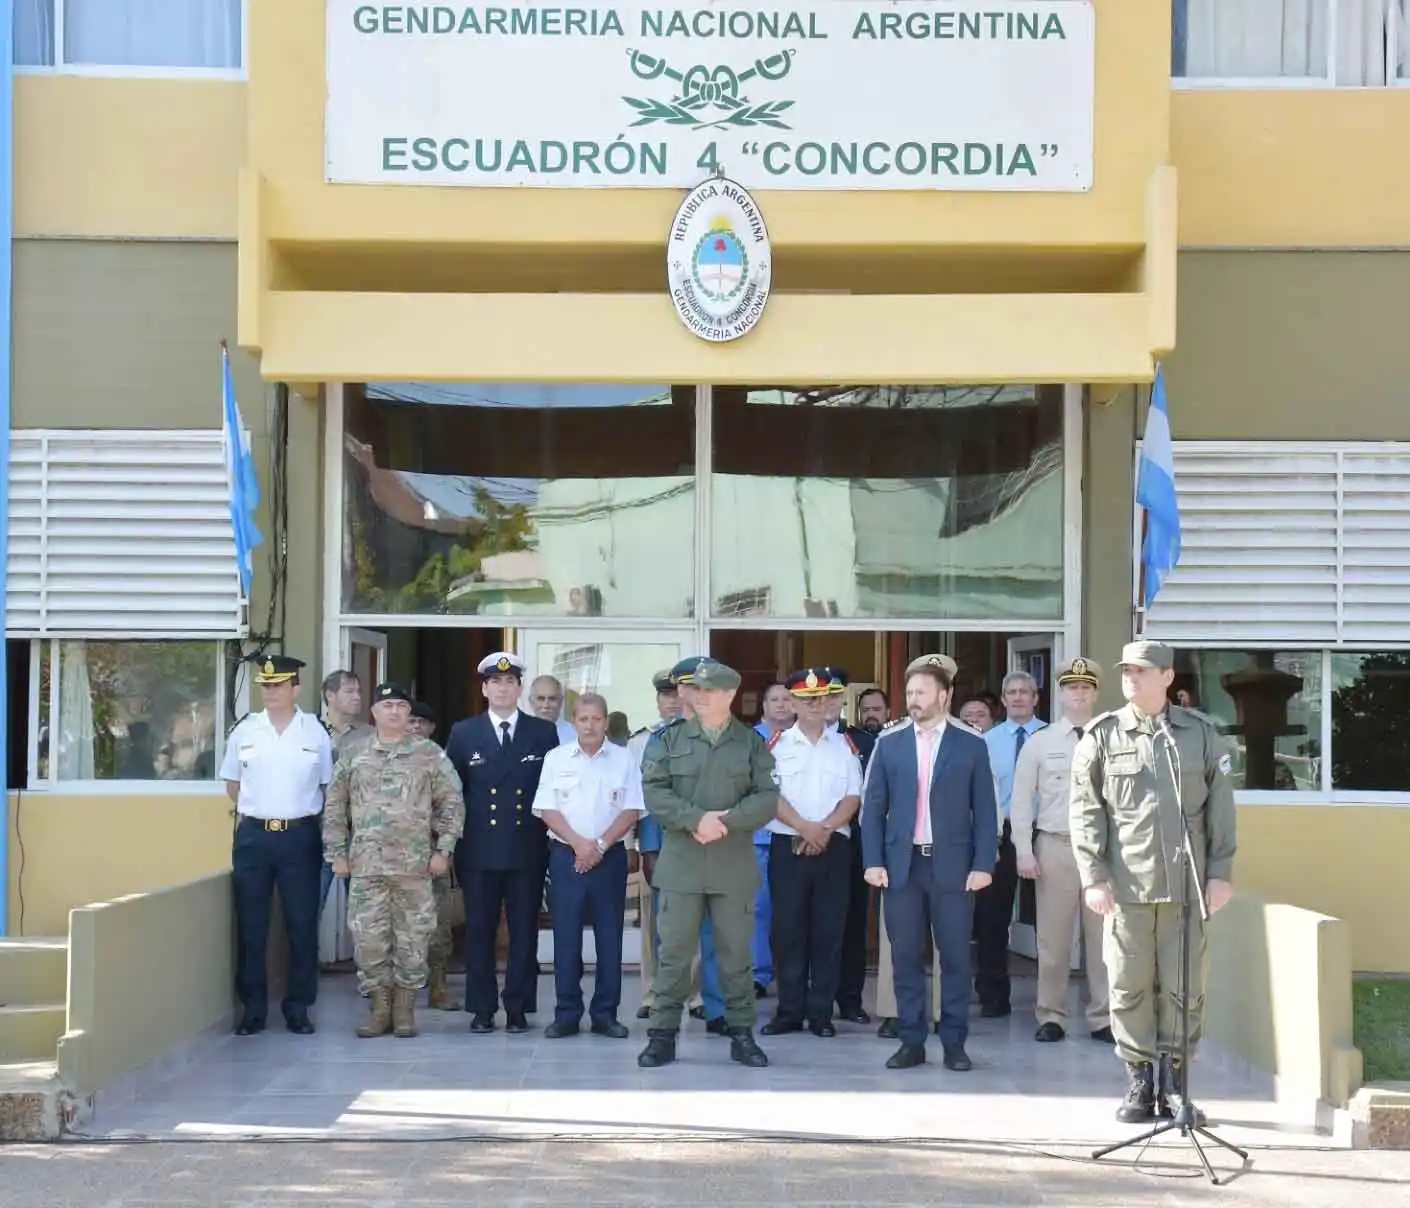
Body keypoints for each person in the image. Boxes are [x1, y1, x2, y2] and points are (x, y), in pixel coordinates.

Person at [1070, 640, 1238, 1124]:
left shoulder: (1199, 734)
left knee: (1185, 988)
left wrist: (1220, 873)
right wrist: (1094, 876)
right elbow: (1086, 812)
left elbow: (1221, 809)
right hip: (1128, 888)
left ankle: (1176, 1084)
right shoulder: (1102, 735)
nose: (1131, 678)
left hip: (1187, 887)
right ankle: (1140, 1081)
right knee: (1129, 986)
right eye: (1127, 671)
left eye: (1142, 671)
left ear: (1167, 677)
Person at [639, 658, 778, 1069]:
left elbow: (767, 798)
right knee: (674, 956)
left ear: (730, 694)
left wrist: (726, 822)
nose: (698, 696)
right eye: (695, 689)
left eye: (709, 690)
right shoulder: (668, 740)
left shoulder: (750, 743)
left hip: (732, 866)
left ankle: (741, 1034)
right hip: (682, 865)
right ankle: (662, 1035)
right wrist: (695, 820)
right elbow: (654, 792)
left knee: (736, 957)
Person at [862, 660, 998, 1072]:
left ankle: (954, 1043)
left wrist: (983, 863)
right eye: (910, 693)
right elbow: (873, 808)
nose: (913, 700)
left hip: (952, 866)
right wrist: (873, 860)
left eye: (921, 692)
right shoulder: (890, 742)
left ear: (944, 695)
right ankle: (911, 1041)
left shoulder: (970, 743)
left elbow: (986, 810)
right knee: (905, 957)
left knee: (955, 957)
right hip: (902, 867)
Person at [324, 683, 465, 1039]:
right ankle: (379, 1008)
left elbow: (451, 803)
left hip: (415, 868)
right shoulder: (353, 753)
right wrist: (337, 853)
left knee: (414, 940)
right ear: (374, 712)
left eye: (401, 706)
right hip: (367, 866)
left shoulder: (429, 754)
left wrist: (443, 850)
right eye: (387, 706)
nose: (394, 712)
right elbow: (335, 806)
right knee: (369, 940)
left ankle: (404, 1009)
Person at [445, 651, 560, 1034]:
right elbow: (451, 793)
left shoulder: (542, 733)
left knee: (524, 932)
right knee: (479, 931)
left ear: (519, 688)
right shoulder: (464, 733)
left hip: (526, 848)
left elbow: (552, 790)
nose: (503, 688)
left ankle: (517, 1007)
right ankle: (481, 1008)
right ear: (485, 689)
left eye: (510, 682)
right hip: (479, 850)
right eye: (495, 682)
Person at [221, 655, 333, 1037]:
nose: (270, 692)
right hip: (254, 836)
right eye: (265, 686)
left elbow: (326, 786)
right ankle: (253, 1009)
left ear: (295, 688)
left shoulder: (315, 732)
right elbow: (233, 785)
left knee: (301, 924)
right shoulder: (245, 731)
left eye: (278, 685)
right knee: (252, 925)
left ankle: (298, 1007)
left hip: (300, 835)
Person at [1011, 657, 1113, 1045]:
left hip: (1103, 851)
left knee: (1104, 941)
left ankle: (1103, 1017)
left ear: (1095, 693)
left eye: (1085, 688)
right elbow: (1022, 800)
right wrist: (1024, 850)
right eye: (1072, 688)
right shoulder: (1042, 741)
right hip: (1056, 845)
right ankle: (1051, 1014)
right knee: (1053, 942)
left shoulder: (1112, 737)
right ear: (1061, 693)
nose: (1079, 694)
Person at [532, 692, 644, 1038]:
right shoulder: (556, 758)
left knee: (609, 938)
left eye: (596, 719)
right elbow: (547, 808)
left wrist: (599, 845)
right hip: (567, 855)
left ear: (606, 722)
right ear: (574, 722)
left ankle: (605, 1015)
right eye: (583, 719)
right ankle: (567, 1013)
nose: (590, 725)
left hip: (609, 857)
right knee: (566, 938)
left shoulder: (624, 758)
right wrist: (580, 845)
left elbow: (631, 809)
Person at [762, 667, 862, 1038]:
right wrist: (805, 828)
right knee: (788, 931)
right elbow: (769, 796)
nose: (815, 705)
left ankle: (821, 1013)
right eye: (806, 700)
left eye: (821, 699)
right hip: (789, 847)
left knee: (829, 931)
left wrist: (824, 829)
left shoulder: (845, 746)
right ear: (793, 704)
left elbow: (853, 797)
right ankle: (789, 1011)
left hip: (834, 847)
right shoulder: (776, 746)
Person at [977, 671, 1047, 1019]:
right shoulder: (986, 741)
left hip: (1043, 832)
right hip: (1001, 834)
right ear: (1003, 700)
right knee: (993, 919)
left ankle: (1049, 1002)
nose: (1018, 697)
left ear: (1036, 698)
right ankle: (993, 996)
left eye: (1025, 692)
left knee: (1048, 920)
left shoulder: (1052, 737)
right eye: (1012, 692)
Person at [627, 669, 683, 1020]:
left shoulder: (704, 736)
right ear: (658, 700)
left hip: (694, 841)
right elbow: (635, 798)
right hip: (655, 841)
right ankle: (653, 994)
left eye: (678, 694)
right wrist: (642, 847)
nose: (672, 701)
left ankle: (693, 995)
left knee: (694, 920)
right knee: (653, 923)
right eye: (666, 695)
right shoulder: (640, 742)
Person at [821, 667, 875, 1025]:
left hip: (852, 843)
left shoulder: (861, 741)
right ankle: (811, 1001)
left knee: (851, 923)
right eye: (820, 696)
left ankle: (850, 999)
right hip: (803, 840)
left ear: (842, 699)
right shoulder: (790, 740)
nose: (826, 703)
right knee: (807, 924)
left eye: (833, 696)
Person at [409, 699, 462, 1011]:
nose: (416, 727)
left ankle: (438, 986)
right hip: (389, 856)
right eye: (411, 721)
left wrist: (445, 847)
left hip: (430, 853)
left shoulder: (439, 760)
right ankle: (391, 995)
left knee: (438, 925)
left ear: (431, 727)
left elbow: (452, 805)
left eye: (422, 722)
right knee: (392, 927)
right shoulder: (380, 754)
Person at [750, 682, 795, 998]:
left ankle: (794, 974)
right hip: (759, 838)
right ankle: (759, 974)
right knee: (758, 909)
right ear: (764, 706)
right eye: (774, 699)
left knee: (794, 911)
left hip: (795, 836)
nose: (781, 704)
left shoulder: (804, 738)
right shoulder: (748, 741)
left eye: (786, 699)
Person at [319, 669, 373, 912]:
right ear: (330, 695)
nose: (357, 697)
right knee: (309, 906)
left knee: (364, 909)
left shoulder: (370, 736)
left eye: (358, 691)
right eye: (349, 691)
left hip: (358, 830)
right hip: (315, 828)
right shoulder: (311, 731)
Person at [529, 674, 578, 745]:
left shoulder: (576, 735)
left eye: (552, 699)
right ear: (531, 701)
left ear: (561, 701)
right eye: (541, 699)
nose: (546, 705)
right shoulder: (518, 733)